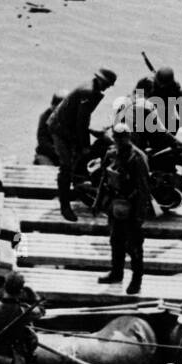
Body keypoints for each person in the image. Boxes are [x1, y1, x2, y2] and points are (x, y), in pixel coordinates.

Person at [46, 67, 116, 221]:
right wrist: (84, 145)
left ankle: (78, 186)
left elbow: (82, 119)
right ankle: (65, 206)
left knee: (81, 155)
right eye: (107, 84)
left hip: (68, 126)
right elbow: (81, 123)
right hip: (60, 129)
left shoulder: (92, 88)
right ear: (101, 81)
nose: (108, 87)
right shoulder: (89, 92)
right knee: (66, 166)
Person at [94, 124, 152, 295]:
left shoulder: (138, 158)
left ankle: (136, 280)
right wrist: (98, 203)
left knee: (134, 246)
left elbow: (144, 188)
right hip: (115, 205)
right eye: (117, 138)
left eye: (123, 137)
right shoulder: (111, 154)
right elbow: (103, 180)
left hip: (132, 207)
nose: (120, 141)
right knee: (115, 240)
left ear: (129, 136)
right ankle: (116, 272)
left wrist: (141, 215)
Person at [33, 91, 64, 165]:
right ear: (52, 106)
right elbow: (42, 140)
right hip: (47, 154)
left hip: (64, 154)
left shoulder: (69, 117)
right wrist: (57, 151)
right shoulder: (45, 117)